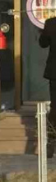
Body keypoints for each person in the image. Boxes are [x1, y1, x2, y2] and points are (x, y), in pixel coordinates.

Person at [40, 17, 56, 158]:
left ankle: (50, 145)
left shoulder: (51, 23)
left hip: (54, 71)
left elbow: (43, 44)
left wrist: (44, 32)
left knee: (55, 108)